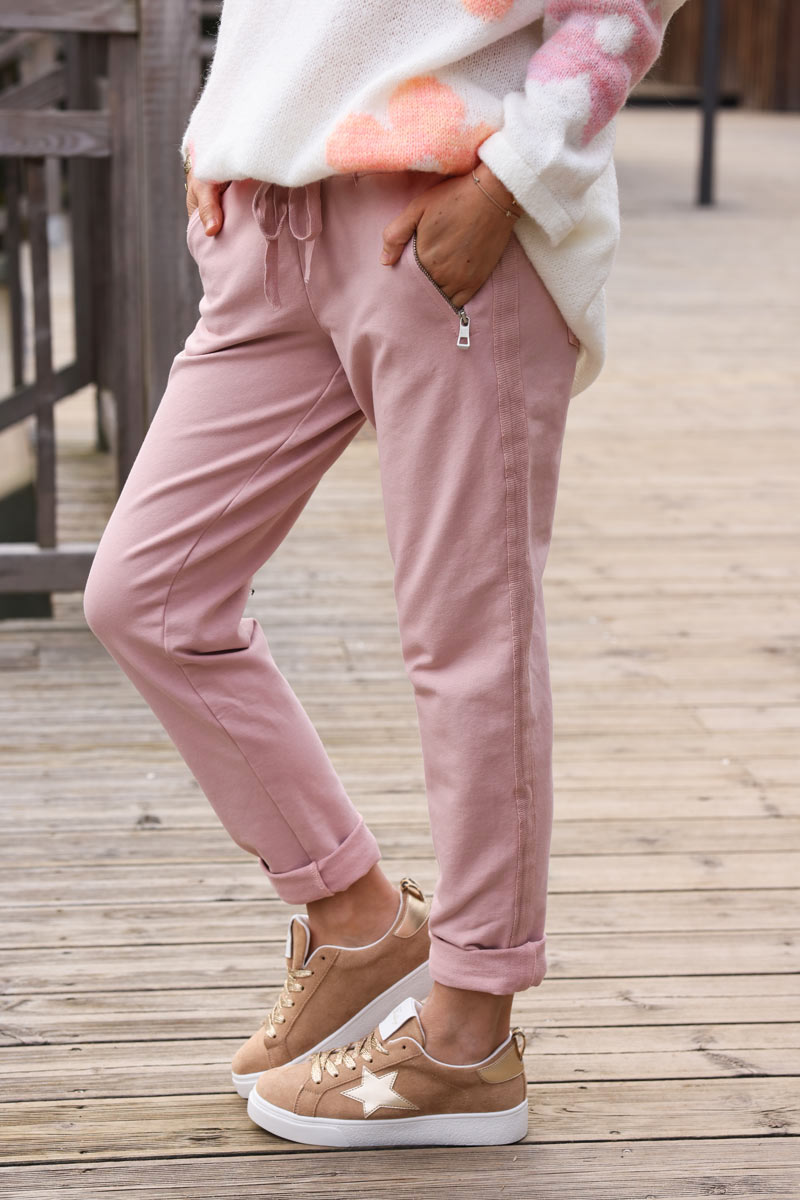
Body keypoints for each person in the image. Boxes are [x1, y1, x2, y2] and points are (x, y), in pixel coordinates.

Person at [84, 0, 685, 1148]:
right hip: (273, 218)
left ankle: (469, 1032)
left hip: (449, 203)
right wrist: (222, 136)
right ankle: (357, 920)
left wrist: (515, 180)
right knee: (148, 594)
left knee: (467, 638)